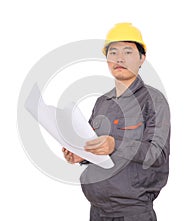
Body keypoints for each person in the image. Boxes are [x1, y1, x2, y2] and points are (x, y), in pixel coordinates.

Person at [63, 23, 170, 221]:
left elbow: (158, 154)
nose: (119, 58)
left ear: (142, 58)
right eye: (113, 52)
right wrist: (80, 155)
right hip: (97, 211)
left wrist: (116, 144)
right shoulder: (102, 102)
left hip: (133, 213)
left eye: (128, 51)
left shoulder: (153, 100)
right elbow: (95, 146)